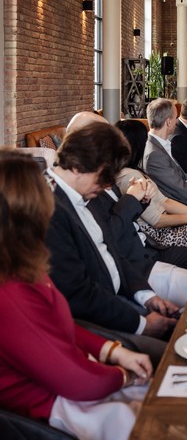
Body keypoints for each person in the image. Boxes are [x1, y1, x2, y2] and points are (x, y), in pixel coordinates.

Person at [0, 150, 152, 440]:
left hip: (74, 386)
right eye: (43, 187)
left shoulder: (21, 264)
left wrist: (113, 351)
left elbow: (60, 325)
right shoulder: (10, 294)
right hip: (54, 419)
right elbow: (78, 382)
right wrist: (123, 375)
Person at [46, 123, 179, 364]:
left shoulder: (84, 191)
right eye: (105, 176)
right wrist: (141, 324)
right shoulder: (49, 209)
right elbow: (77, 295)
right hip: (93, 319)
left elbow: (113, 253)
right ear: (76, 165)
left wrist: (147, 296)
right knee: (174, 355)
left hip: (121, 298)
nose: (109, 185)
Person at [116, 118, 187, 249]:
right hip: (159, 236)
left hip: (167, 227)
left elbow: (165, 201)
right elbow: (156, 221)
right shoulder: (130, 176)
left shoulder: (134, 170)